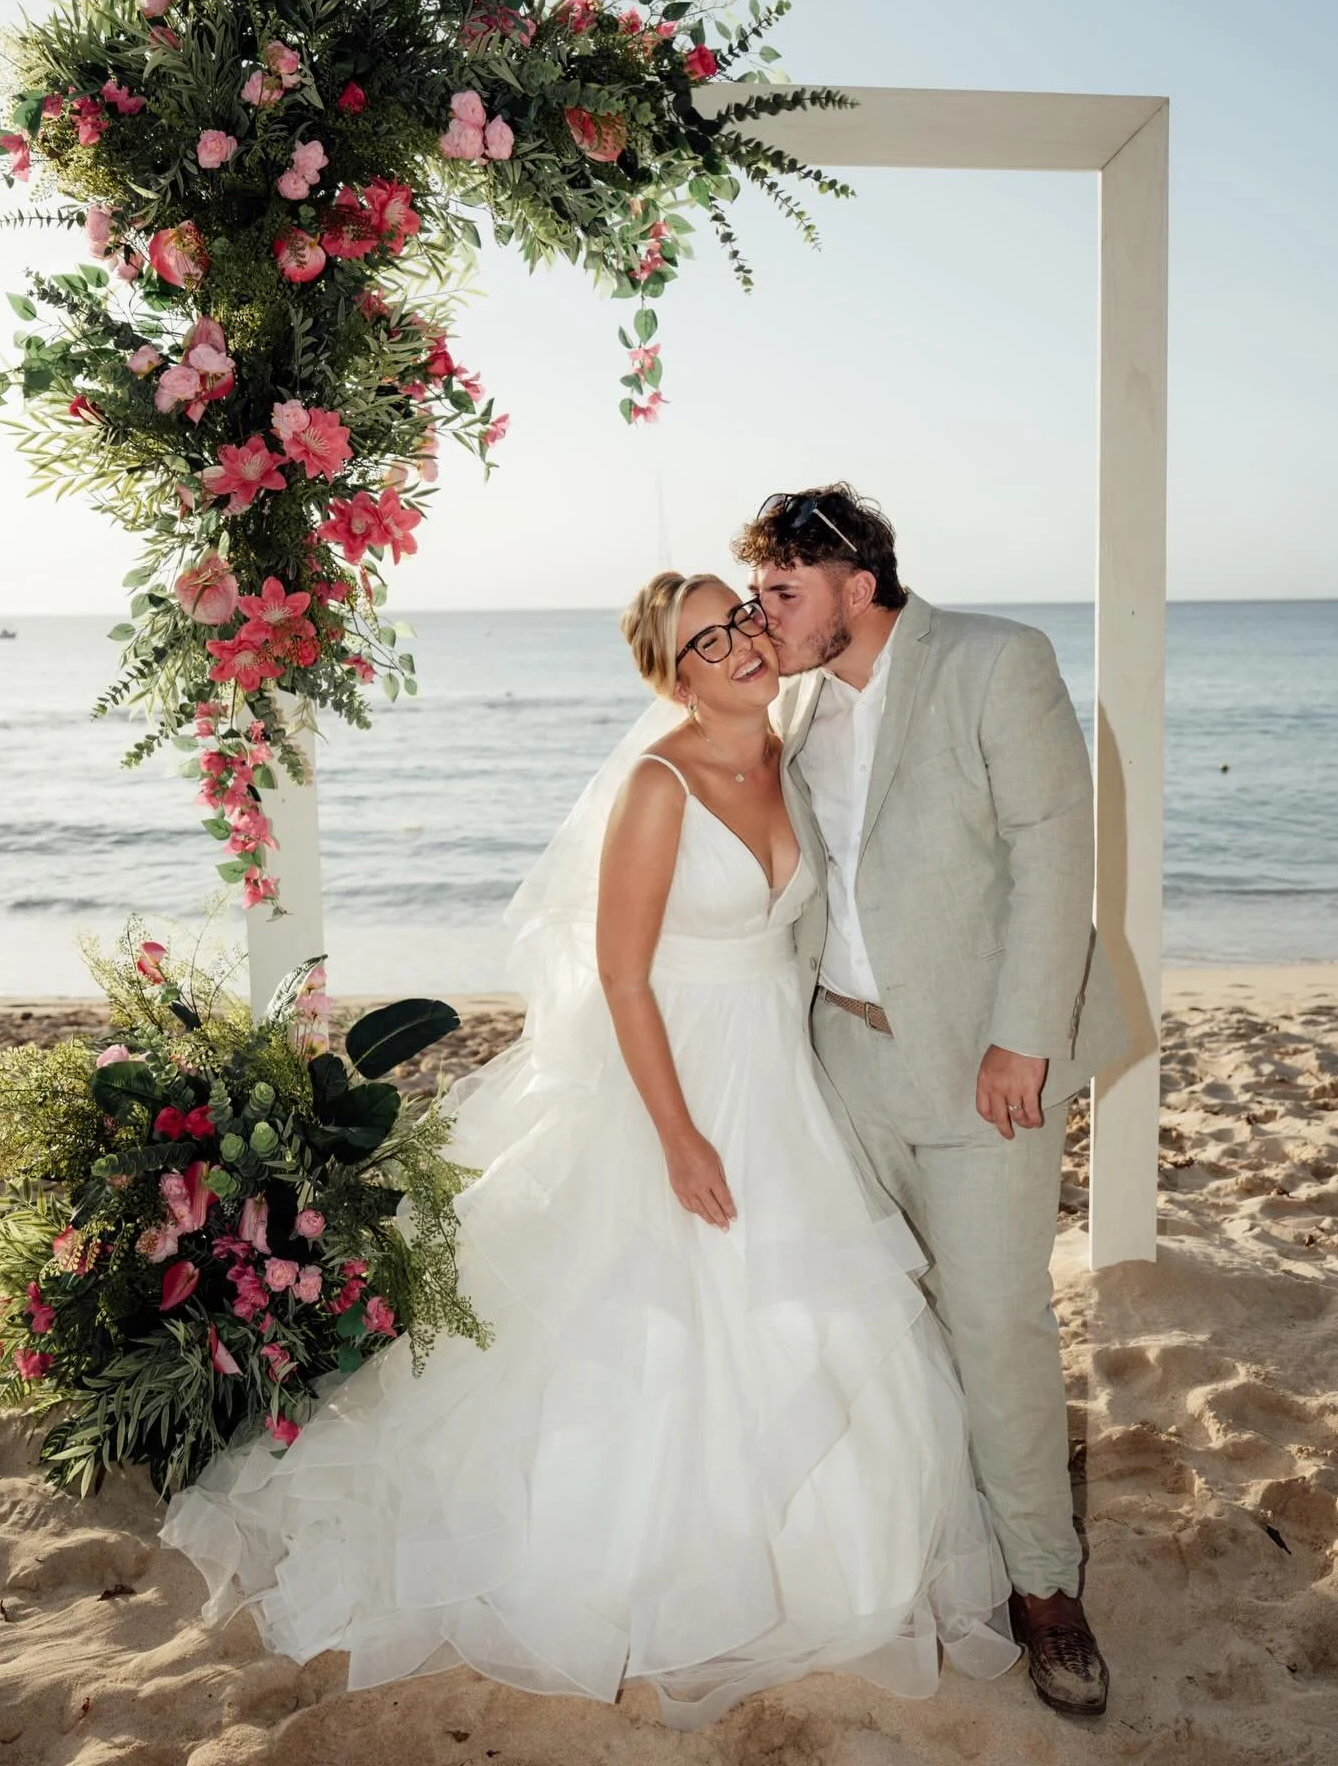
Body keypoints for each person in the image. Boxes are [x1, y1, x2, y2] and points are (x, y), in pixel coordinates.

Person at [160, 571, 1018, 1731]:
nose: (739, 645)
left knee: (808, 1315)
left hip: (781, 1079)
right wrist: (676, 1136)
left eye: (742, 620)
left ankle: (836, 1555)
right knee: (655, 1318)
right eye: (704, 641)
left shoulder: (788, 751)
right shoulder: (659, 786)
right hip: (682, 1080)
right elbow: (621, 975)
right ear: (672, 676)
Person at [734, 486, 1132, 1719]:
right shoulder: (791, 702)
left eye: (782, 593)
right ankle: (920, 1554)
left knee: (998, 1320)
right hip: (842, 1060)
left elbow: (1055, 852)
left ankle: (1047, 1591)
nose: (763, 616)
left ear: (858, 584)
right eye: (755, 593)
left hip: (980, 1064)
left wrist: (1024, 1039)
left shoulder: (998, 662)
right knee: (882, 1320)